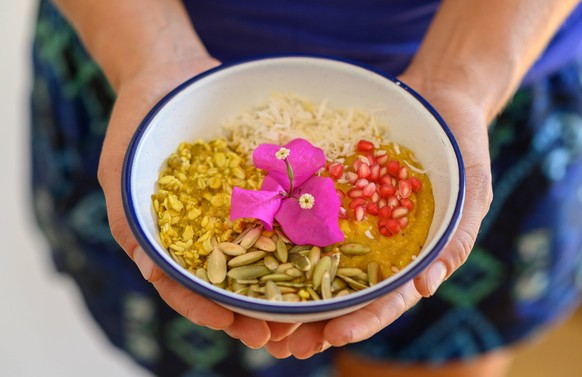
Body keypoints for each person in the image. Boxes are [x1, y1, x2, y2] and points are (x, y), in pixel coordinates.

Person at [31, 0, 582, 376]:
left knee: (442, 360)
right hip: (138, 52)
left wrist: (462, 79)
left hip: (495, 61)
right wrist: (149, 57)